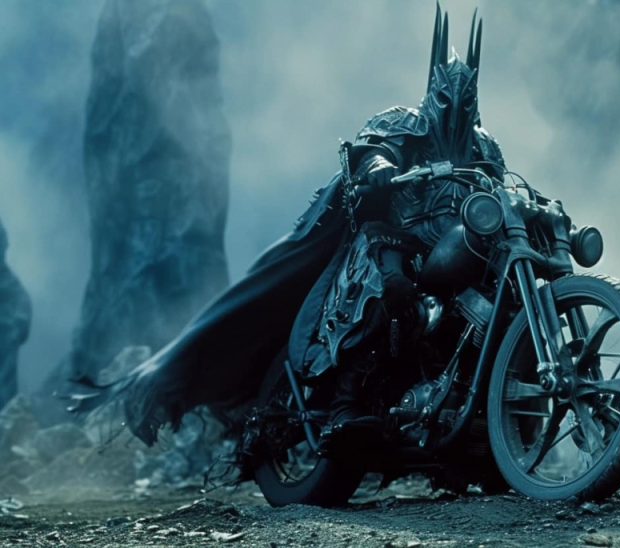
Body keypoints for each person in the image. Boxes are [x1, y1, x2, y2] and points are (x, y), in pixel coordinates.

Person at [77, 4, 506, 445]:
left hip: (455, 258)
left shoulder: (485, 148)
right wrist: (378, 166)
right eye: (447, 98)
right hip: (393, 245)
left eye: (465, 99)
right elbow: (371, 149)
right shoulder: (405, 122)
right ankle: (345, 403)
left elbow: (501, 193)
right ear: (433, 92)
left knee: (496, 297)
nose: (456, 107)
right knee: (389, 287)